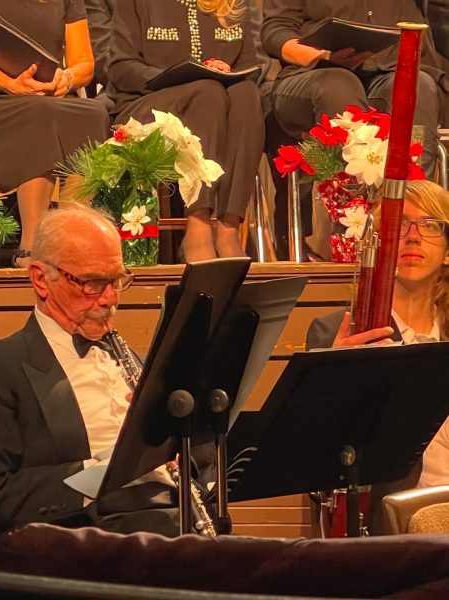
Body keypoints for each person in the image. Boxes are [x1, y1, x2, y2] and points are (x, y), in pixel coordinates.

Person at [0, 205, 205, 560]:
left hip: (176, 528)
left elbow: (195, 468)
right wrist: (102, 472)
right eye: (93, 283)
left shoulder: (136, 363)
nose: (111, 299)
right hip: (89, 545)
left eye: (117, 281)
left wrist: (171, 445)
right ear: (41, 279)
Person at [306, 179, 449, 529]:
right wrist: (334, 377)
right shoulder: (336, 332)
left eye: (430, 225)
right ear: (378, 246)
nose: (413, 236)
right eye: (398, 224)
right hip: (394, 524)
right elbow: (312, 457)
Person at [261, 0, 447, 258]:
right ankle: (350, 237)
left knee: (418, 85)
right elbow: (275, 33)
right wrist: (322, 55)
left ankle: (413, 222)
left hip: (388, 71)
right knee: (340, 86)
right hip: (312, 75)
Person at [0, 0, 110, 267]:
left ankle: (71, 240)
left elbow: (84, 64)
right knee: (40, 113)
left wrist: (66, 78)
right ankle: (32, 248)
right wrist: (13, 85)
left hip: (40, 96)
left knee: (92, 115)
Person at [106, 0, 265, 262]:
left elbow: (251, 68)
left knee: (247, 95)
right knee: (207, 92)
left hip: (216, 105)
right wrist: (180, 76)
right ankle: (198, 227)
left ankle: (229, 228)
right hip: (147, 104)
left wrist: (230, 72)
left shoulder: (233, 4)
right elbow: (121, 68)